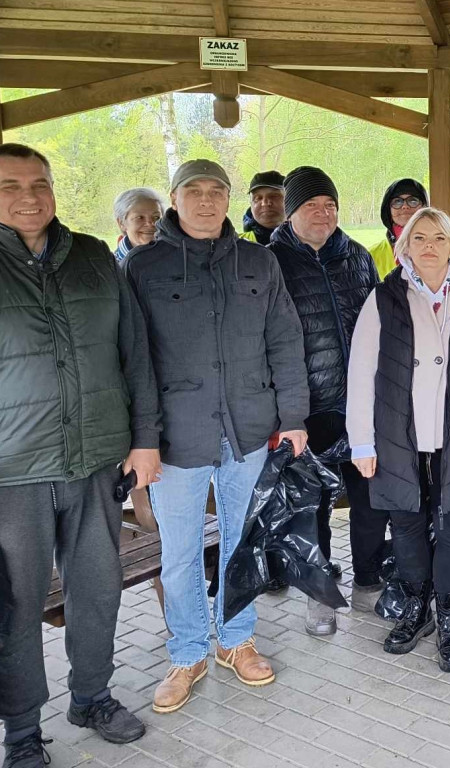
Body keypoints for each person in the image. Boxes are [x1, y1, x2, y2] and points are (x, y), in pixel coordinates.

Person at [124, 159, 309, 714]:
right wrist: (142, 439)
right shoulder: (143, 266)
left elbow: (285, 340)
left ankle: (235, 640)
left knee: (243, 540)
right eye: (194, 192)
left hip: (248, 430)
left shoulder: (259, 261)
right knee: (179, 553)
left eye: (217, 192)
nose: (206, 201)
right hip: (175, 437)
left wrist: (294, 417)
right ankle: (186, 652)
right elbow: (132, 360)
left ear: (230, 199)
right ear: (175, 200)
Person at [0, 143, 160, 767]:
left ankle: (92, 697)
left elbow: (136, 355)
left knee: (98, 588)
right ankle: (20, 731)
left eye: (39, 182)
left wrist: (144, 441)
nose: (29, 195)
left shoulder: (94, 257)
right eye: (10, 185)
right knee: (17, 602)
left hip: (97, 459)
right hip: (14, 470)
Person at [347, 206, 450, 673]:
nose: (430, 246)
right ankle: (416, 606)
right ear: (405, 247)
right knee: (408, 524)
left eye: (440, 237)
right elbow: (361, 371)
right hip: (399, 432)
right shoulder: (384, 296)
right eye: (420, 238)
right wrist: (361, 441)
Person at [267, 166, 385, 635]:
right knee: (309, 504)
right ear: (292, 211)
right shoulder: (269, 260)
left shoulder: (357, 255)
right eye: (312, 205)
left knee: (368, 497)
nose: (323, 213)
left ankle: (370, 583)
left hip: (360, 401)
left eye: (330, 205)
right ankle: (319, 593)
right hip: (303, 408)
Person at [367, 178, 429, 279]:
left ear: (424, 208)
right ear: (388, 211)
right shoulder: (370, 255)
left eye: (413, 201)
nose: (405, 206)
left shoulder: (441, 250)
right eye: (397, 202)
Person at [113, 187, 165, 261]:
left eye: (156, 217)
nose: (150, 223)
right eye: (140, 217)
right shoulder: (111, 268)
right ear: (121, 223)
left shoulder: (176, 257)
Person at [240, 170, 286, 246]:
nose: (265, 203)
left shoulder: (308, 240)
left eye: (274, 196)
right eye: (258, 198)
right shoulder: (235, 245)